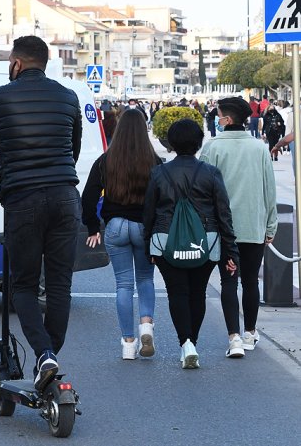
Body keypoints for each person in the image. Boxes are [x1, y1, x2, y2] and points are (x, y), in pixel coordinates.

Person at [0, 35, 82, 391]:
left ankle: (44, 355)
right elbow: (74, 150)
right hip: (66, 198)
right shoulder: (68, 98)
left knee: (22, 284)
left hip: (23, 202)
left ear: (16, 64)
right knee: (59, 285)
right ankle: (49, 355)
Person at [143, 118, 239, 369]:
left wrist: (148, 247)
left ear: (171, 143)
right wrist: (230, 250)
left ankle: (185, 343)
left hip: (165, 241)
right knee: (198, 293)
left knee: (177, 292)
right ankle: (191, 342)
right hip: (205, 242)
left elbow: (149, 213)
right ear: (199, 143)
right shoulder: (211, 173)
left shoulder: (159, 172)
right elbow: (223, 214)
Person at [81, 109, 163, 360]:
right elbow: (163, 200)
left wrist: (93, 227)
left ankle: (128, 343)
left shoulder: (106, 161)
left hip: (115, 226)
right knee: (146, 280)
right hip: (144, 228)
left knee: (123, 284)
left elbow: (88, 198)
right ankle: (146, 325)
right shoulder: (155, 161)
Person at [200, 97, 276, 358]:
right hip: (254, 225)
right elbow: (270, 189)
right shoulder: (259, 148)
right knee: (251, 281)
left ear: (228, 119)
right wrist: (271, 224)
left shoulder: (212, 148)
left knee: (228, 281)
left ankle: (233, 337)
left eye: (218, 115)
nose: (216, 119)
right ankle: (250, 332)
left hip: (224, 229)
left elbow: (203, 190)